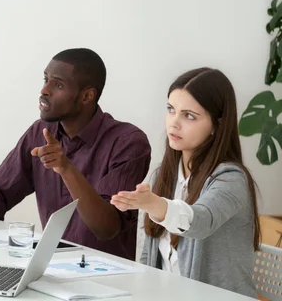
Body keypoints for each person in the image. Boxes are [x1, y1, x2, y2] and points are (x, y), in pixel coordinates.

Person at [0, 48, 151, 260]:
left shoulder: (128, 142)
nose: (44, 90)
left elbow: (106, 227)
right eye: (45, 79)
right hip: (51, 269)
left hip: (110, 278)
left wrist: (66, 168)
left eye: (57, 84)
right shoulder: (40, 132)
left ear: (87, 96)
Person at [110, 68, 260, 297]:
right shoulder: (163, 175)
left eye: (189, 115)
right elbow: (147, 260)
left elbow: (200, 221)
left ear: (217, 125)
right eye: (171, 110)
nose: (174, 123)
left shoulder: (231, 179)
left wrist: (154, 204)